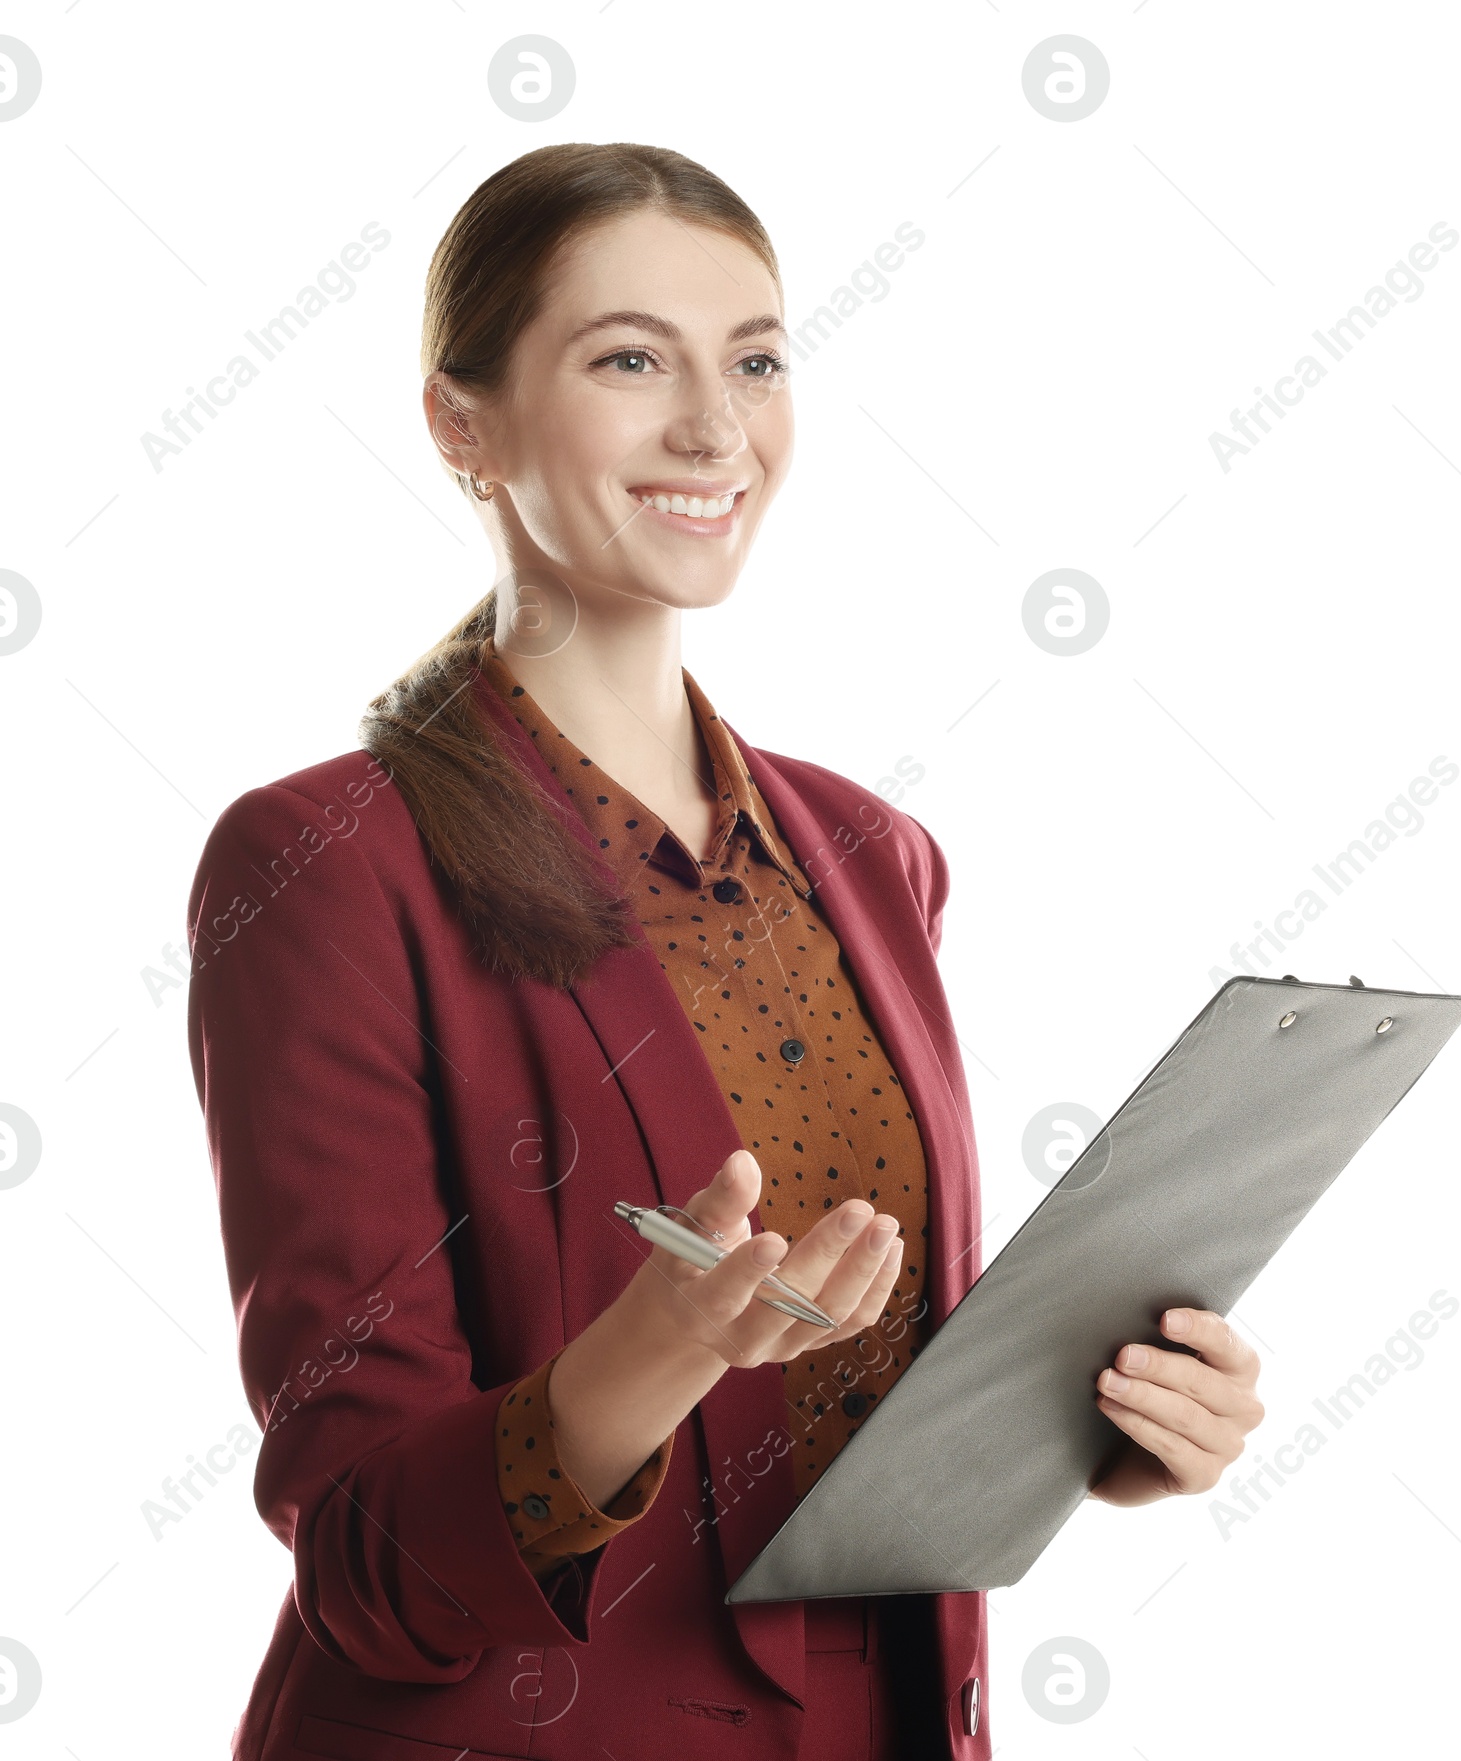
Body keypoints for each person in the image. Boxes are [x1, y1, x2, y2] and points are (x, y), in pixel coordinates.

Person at [185, 141, 1265, 1761]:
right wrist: (650, 1357)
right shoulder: (324, 868)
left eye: (755, 360)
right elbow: (365, 1562)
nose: (716, 426)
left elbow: (855, 1395)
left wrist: (1099, 1423)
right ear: (457, 425)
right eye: (633, 359)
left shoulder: (867, 854)